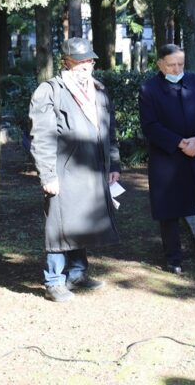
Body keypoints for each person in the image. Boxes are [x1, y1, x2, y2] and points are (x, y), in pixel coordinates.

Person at [29, 38, 120, 302]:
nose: (86, 66)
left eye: (89, 60)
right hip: (62, 170)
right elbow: (42, 136)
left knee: (79, 221)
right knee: (59, 224)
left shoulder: (98, 90)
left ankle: (78, 273)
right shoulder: (50, 91)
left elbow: (109, 130)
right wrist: (48, 175)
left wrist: (113, 163)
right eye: (80, 62)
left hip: (92, 169)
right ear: (66, 62)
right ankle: (54, 281)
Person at [139, 44, 195, 275]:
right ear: (160, 64)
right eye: (171, 65)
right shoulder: (149, 88)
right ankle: (173, 256)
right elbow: (150, 125)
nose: (177, 69)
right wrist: (180, 143)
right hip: (169, 155)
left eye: (181, 64)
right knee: (170, 208)